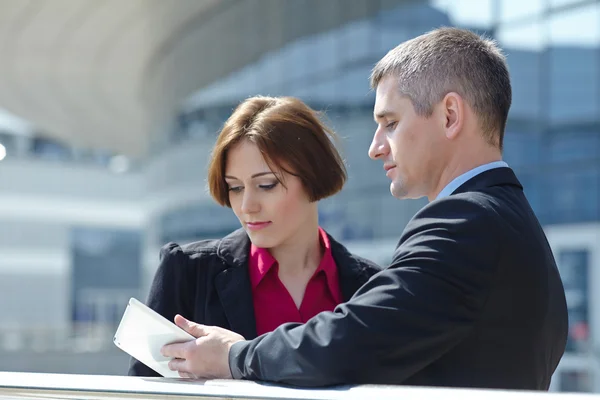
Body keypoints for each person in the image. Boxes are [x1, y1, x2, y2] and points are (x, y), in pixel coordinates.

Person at [160, 27, 569, 390]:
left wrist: (236, 357)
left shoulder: (464, 222)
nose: (375, 147)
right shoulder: (516, 225)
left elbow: (352, 341)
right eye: (234, 188)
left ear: (449, 116)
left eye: (390, 123)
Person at [128, 95, 382, 377]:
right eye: (235, 188)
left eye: (266, 185)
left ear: (314, 176)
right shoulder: (188, 272)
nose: (247, 206)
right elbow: (142, 391)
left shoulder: (371, 289)